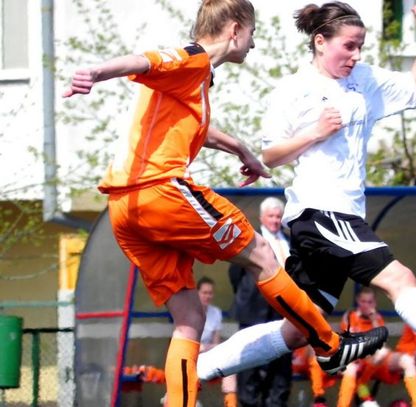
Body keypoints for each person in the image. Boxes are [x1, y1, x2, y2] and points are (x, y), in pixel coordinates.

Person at [196, 0, 416, 393]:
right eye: (349, 46)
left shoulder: (364, 79)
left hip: (342, 216)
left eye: (360, 47)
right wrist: (315, 132)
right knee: (400, 278)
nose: (356, 55)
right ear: (320, 42)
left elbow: (413, 90)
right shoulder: (294, 88)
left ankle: (201, 367)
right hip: (321, 212)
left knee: (299, 328)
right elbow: (270, 155)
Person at [63, 1, 387, 405]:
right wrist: (96, 72)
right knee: (262, 254)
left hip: (124, 209)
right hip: (160, 191)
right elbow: (145, 60)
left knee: (189, 317)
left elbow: (197, 128)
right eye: (252, 34)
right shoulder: (193, 59)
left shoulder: (193, 84)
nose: (253, 44)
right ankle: (328, 345)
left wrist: (240, 149)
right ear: (235, 30)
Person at [228, 197, 293, 407]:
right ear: (261, 217)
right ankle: (249, 403)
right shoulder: (250, 239)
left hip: (284, 309)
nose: (275, 220)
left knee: (281, 360)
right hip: (254, 308)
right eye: (271, 216)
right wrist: (249, 294)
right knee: (250, 360)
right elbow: (235, 272)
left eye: (278, 216)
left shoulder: (290, 241)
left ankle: (276, 402)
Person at [337, 287, 416, 407]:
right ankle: (360, 390)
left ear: (375, 303)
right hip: (358, 361)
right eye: (363, 301)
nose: (366, 305)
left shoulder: (377, 318)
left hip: (377, 362)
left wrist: (374, 321)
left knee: (407, 360)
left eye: (370, 302)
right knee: (352, 367)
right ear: (358, 301)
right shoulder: (350, 317)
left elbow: (381, 344)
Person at [197, 277, 237, 407]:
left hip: (208, 352)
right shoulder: (190, 311)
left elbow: (216, 342)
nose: (207, 296)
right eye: (204, 292)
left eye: (210, 293)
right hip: (192, 355)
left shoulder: (216, 312)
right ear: (197, 293)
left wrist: (206, 348)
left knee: (230, 364)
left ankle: (230, 402)